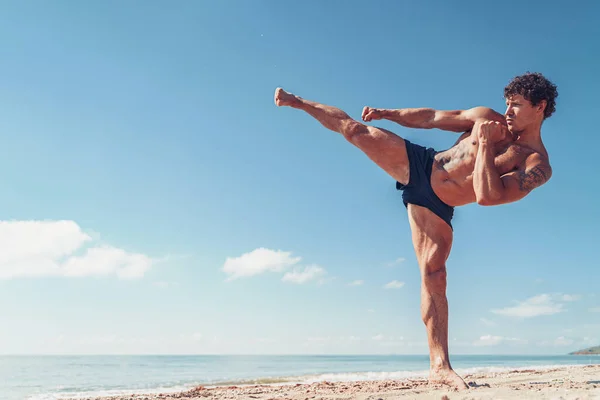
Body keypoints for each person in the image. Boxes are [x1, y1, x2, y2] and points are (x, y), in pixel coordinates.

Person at [274, 72, 558, 390]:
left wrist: (487, 146)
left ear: (540, 107)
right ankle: (298, 102)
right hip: (422, 165)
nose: (507, 112)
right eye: (507, 104)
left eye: (516, 105)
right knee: (354, 130)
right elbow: (433, 118)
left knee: (434, 275)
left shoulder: (537, 164)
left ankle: (440, 367)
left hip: (437, 206)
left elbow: (487, 197)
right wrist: (388, 114)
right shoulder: (485, 118)